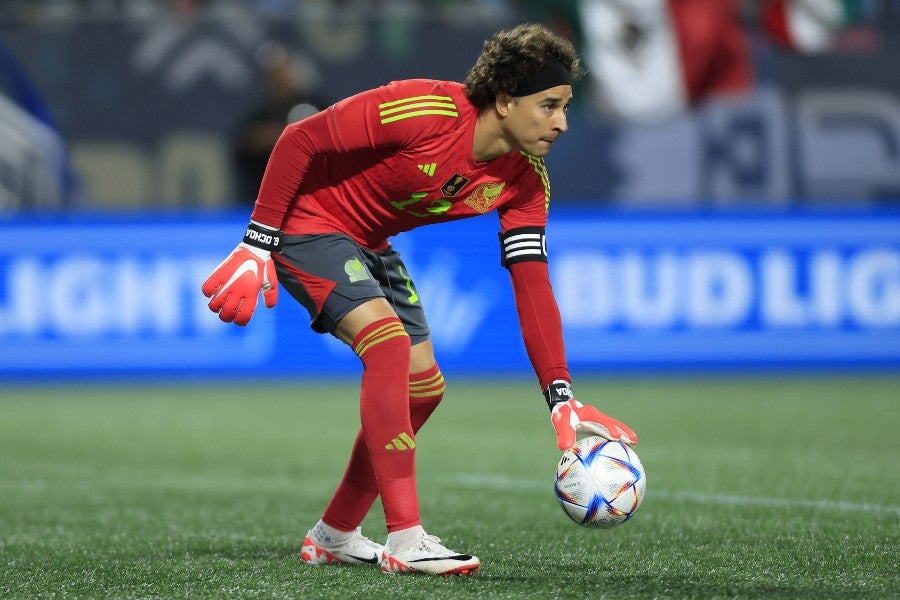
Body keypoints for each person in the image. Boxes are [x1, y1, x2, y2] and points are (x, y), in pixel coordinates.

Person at [202, 23, 638, 576]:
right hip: (306, 222)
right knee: (386, 346)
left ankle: (334, 533)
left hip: (369, 242)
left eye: (566, 107)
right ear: (505, 101)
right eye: (549, 105)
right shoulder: (423, 109)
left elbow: (532, 286)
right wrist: (256, 243)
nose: (562, 123)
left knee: (425, 389)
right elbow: (299, 139)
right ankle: (406, 538)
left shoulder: (526, 180)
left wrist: (560, 396)